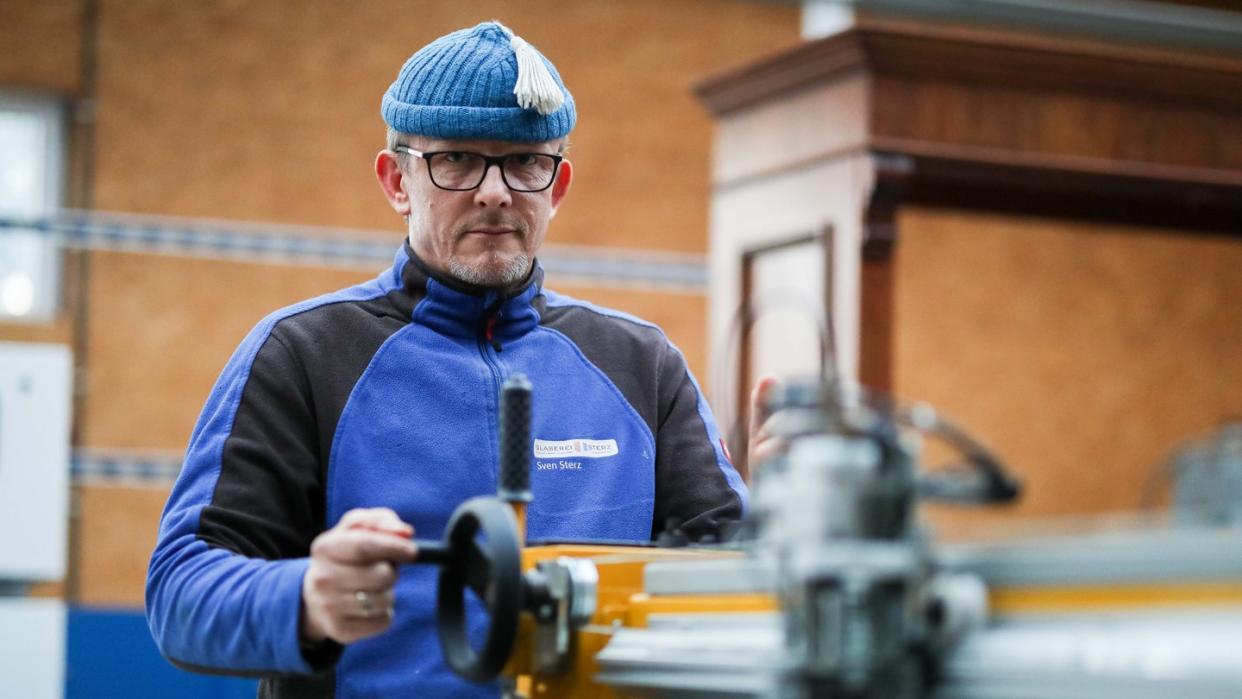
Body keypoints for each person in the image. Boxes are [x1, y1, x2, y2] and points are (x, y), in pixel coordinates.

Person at [147, 21, 754, 697]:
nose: (495, 190)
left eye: (525, 161)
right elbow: (181, 590)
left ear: (557, 186)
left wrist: (787, 519)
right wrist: (304, 597)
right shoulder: (302, 357)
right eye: (457, 160)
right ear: (396, 180)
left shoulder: (643, 365)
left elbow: (743, 585)